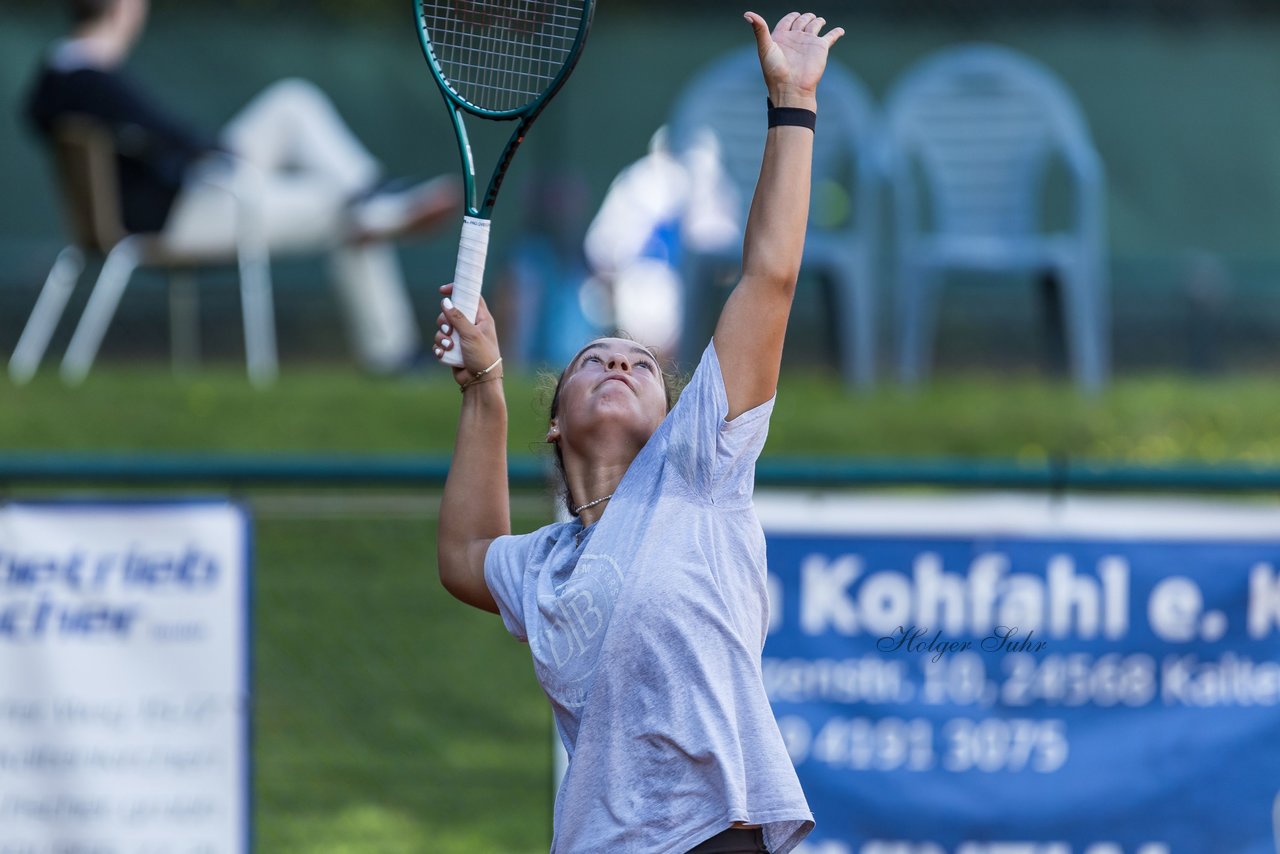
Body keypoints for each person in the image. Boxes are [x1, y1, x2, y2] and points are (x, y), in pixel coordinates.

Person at [433, 10, 843, 854]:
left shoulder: (698, 469)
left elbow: (769, 277)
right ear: (557, 422)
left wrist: (792, 104)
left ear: (673, 420)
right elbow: (466, 557)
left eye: (642, 365)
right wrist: (483, 387)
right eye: (594, 359)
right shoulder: (544, 567)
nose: (619, 365)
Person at [23, 0, 462, 374]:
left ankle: (373, 195)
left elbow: (167, 140)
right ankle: (391, 335)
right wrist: (213, 155)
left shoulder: (61, 75)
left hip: (191, 192)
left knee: (292, 103)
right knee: (343, 211)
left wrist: (212, 153)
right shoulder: (92, 80)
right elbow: (173, 138)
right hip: (180, 216)